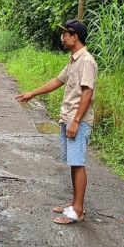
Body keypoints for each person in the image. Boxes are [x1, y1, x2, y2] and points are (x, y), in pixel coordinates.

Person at [15, 19, 98, 225]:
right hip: (69, 118)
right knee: (73, 162)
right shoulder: (74, 60)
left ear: (75, 36)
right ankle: (74, 202)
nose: (62, 38)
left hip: (76, 120)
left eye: (65, 34)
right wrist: (31, 94)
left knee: (78, 163)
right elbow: (57, 81)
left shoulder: (86, 61)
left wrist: (76, 121)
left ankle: (78, 210)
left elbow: (88, 93)